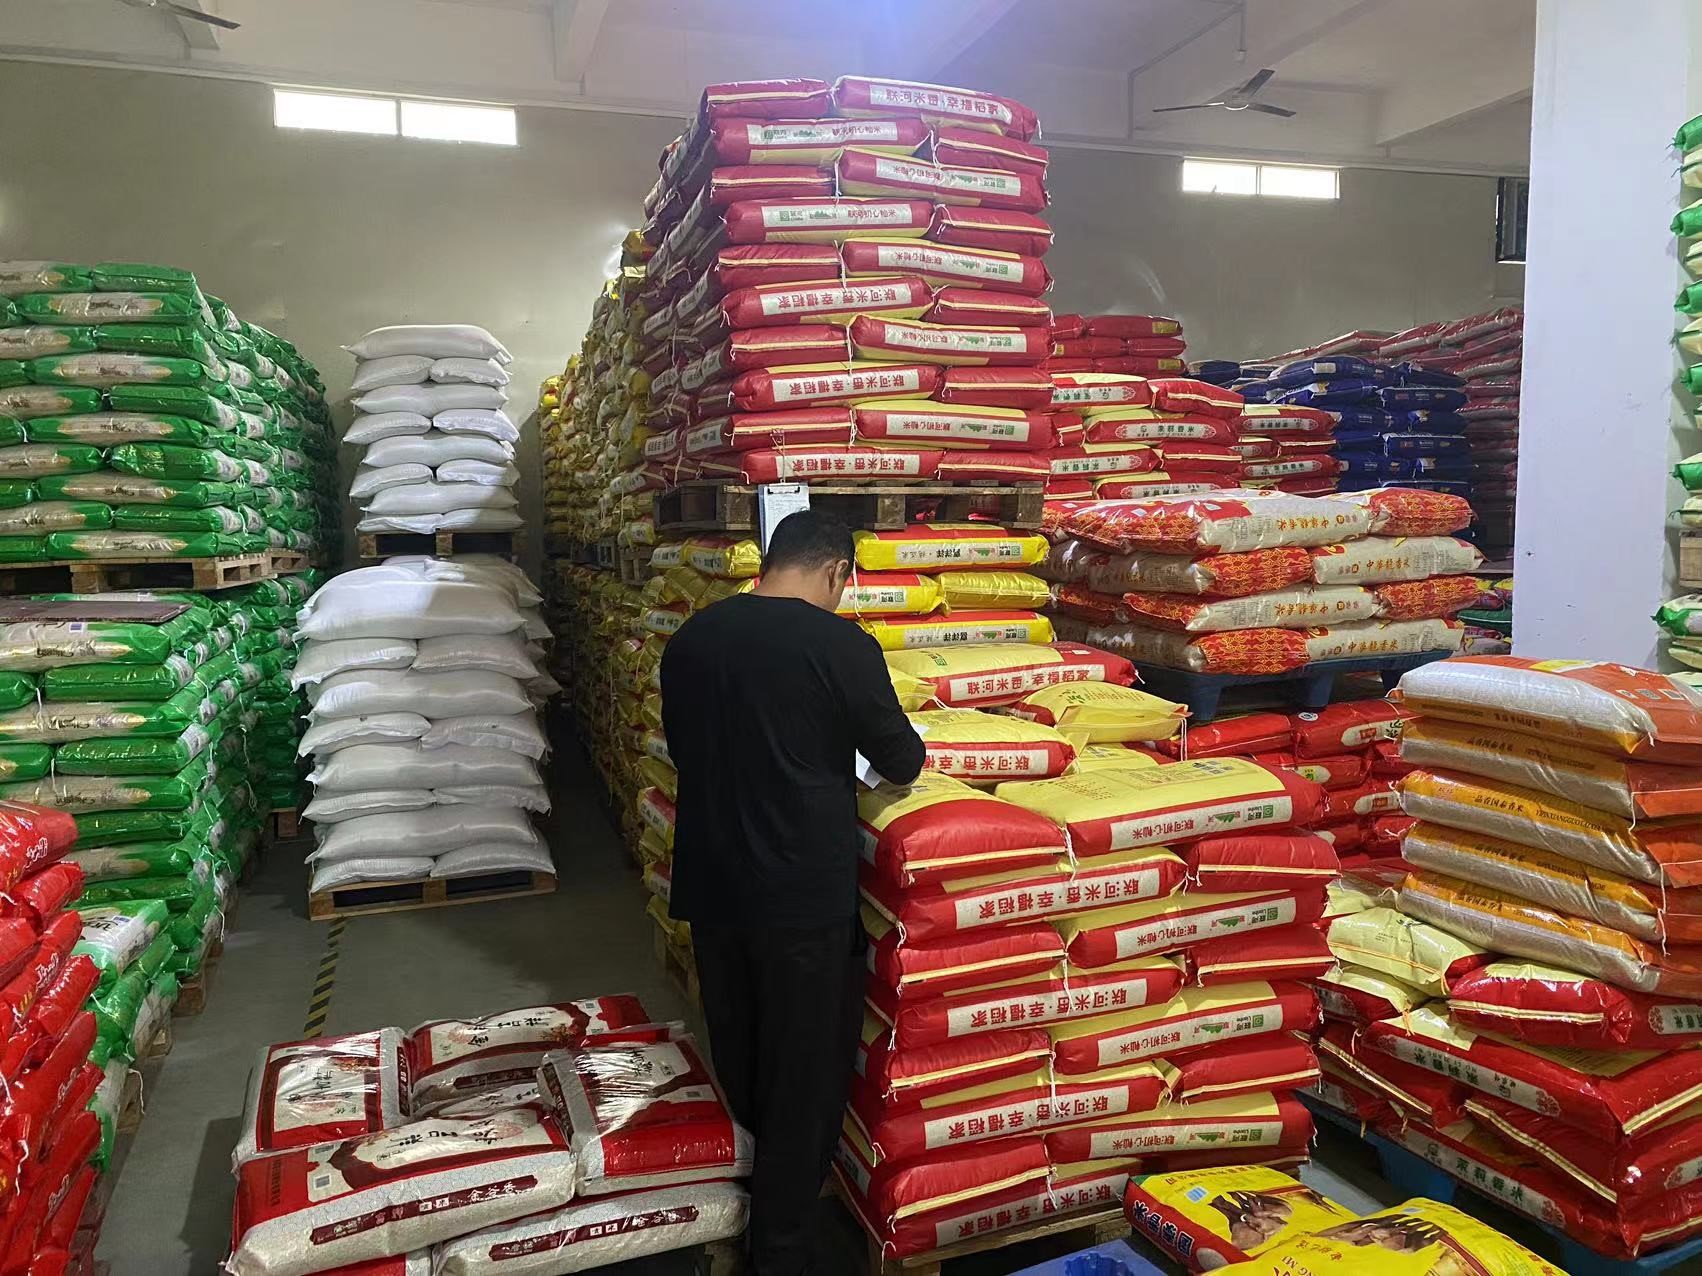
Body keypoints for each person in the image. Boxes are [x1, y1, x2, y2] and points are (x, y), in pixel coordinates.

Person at [661, 510, 925, 1275]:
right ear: (838, 571)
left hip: (713, 884)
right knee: (804, 1076)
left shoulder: (694, 639)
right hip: (801, 897)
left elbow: (685, 749)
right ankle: (778, 1250)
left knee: (741, 1048)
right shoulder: (840, 645)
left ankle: (742, 1202)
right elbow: (901, 759)